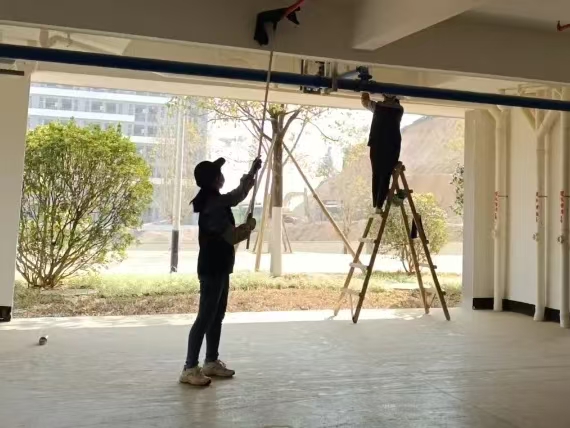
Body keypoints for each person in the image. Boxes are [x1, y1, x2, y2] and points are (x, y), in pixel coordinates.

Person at [179, 156, 262, 387]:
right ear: (215, 179)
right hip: (212, 267)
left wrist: (251, 172)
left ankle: (211, 361)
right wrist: (248, 227)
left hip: (220, 266)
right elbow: (231, 236)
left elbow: (236, 196)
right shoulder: (213, 205)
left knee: (216, 316)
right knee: (205, 317)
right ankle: (189, 368)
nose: (222, 176)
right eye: (219, 173)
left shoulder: (214, 199)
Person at [361, 92, 404, 212]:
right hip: (392, 147)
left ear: (384, 96)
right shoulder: (400, 109)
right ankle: (379, 206)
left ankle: (376, 203)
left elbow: (365, 102)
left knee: (376, 174)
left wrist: (364, 91)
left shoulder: (378, 106)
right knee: (386, 176)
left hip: (377, 145)